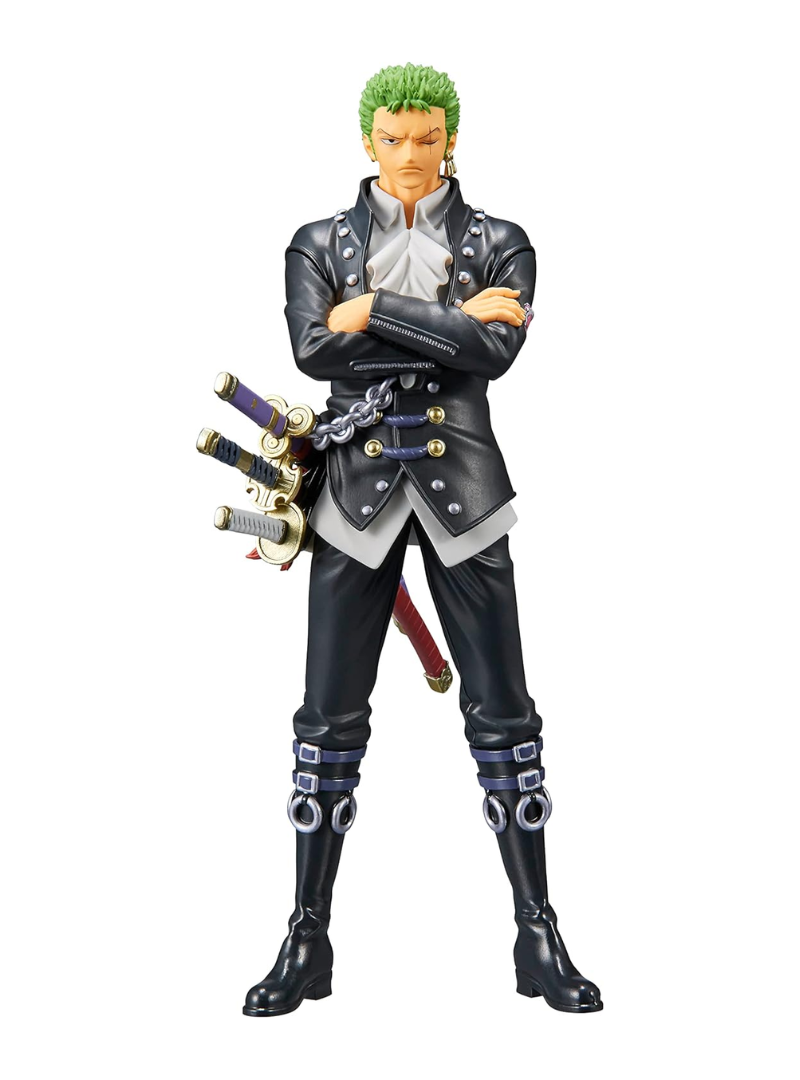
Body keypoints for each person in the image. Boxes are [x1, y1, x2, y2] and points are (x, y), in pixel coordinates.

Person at [243, 63, 602, 1016]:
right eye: (394, 138)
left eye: (428, 139)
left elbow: (496, 353)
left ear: (451, 139)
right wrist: (446, 324)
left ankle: (537, 930)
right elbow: (313, 351)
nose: (410, 156)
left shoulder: (501, 242)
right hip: (351, 494)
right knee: (328, 721)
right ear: (368, 140)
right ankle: (307, 935)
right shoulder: (316, 242)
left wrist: (372, 313)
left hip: (466, 493)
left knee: (505, 713)